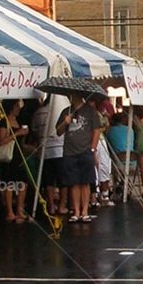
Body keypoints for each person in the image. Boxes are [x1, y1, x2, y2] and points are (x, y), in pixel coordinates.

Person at [56, 91, 103, 223]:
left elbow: (97, 130)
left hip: (85, 150)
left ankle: (85, 211)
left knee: (85, 182)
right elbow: (58, 132)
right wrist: (65, 122)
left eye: (70, 96)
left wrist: (92, 148)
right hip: (69, 152)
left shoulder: (90, 111)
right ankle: (76, 211)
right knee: (74, 183)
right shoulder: (66, 111)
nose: (69, 98)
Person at [0, 99, 28, 223]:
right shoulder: (3, 123)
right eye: (16, 106)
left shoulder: (18, 121)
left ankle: (20, 210)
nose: (18, 108)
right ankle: (10, 211)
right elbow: (1, 141)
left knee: (23, 182)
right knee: (9, 183)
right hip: (9, 157)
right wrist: (17, 133)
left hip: (18, 155)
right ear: (11, 107)